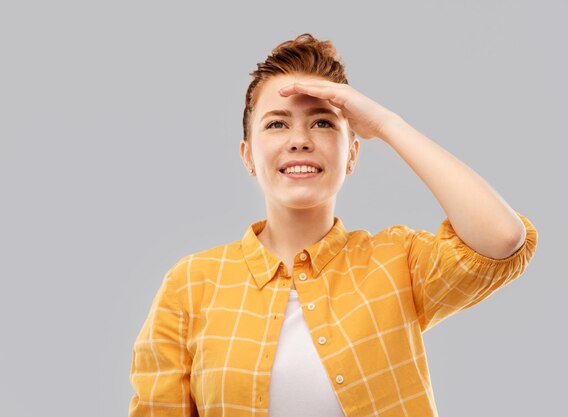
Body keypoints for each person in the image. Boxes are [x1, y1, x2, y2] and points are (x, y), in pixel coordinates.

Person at [128, 33, 538, 417]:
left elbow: (501, 237)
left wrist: (386, 125)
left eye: (322, 122)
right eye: (276, 123)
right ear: (248, 155)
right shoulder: (191, 284)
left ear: (352, 154)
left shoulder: (396, 262)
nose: (299, 139)